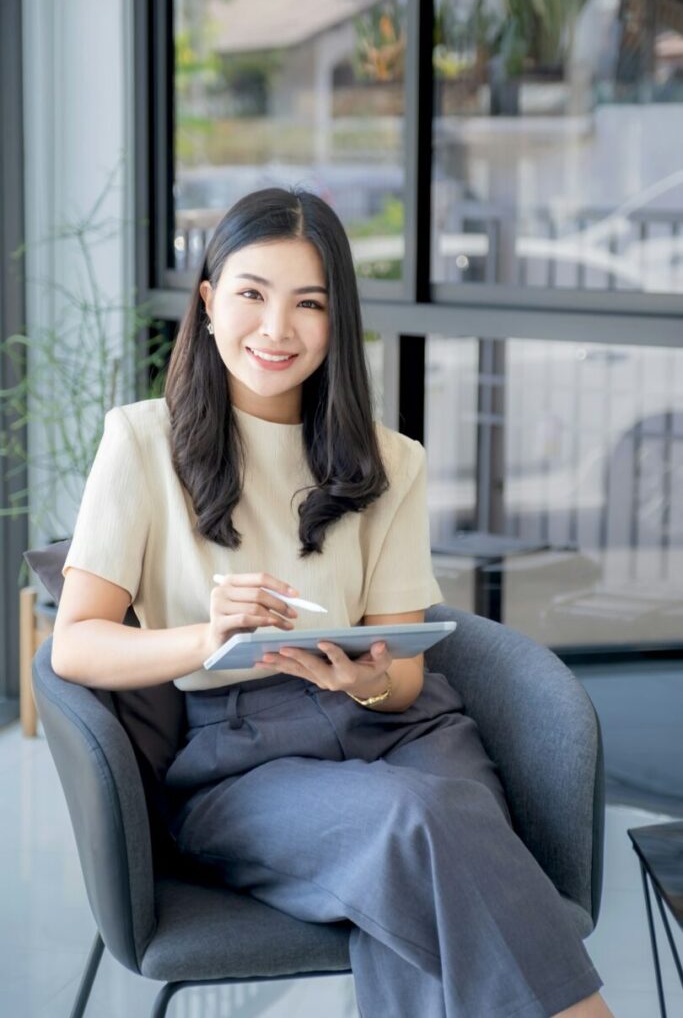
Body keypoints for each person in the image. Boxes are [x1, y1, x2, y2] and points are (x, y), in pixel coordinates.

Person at [52, 187, 613, 1018]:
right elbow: (76, 647)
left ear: (336, 319)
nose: (276, 329)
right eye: (251, 294)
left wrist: (362, 682)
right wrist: (207, 636)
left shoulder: (390, 461)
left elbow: (409, 684)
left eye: (307, 304)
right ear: (208, 302)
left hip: (400, 732)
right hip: (241, 758)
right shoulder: (141, 443)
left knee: (423, 854)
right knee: (421, 826)